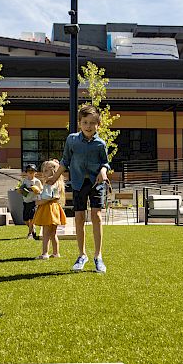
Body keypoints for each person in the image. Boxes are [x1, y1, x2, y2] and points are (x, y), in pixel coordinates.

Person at [47, 104, 110, 273]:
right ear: (80, 124)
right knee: (79, 217)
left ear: (98, 124)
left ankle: (98, 256)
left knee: (96, 215)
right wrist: (54, 177)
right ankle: (82, 255)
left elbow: (105, 163)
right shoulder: (72, 140)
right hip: (78, 183)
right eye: (85, 122)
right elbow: (65, 160)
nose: (88, 126)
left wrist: (103, 171)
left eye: (92, 123)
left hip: (96, 183)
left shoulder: (100, 144)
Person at [32, 159, 67, 259]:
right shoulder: (58, 183)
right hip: (55, 208)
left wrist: (38, 202)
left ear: (54, 171)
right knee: (53, 233)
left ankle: (45, 254)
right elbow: (54, 196)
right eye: (43, 170)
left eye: (46, 171)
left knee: (46, 233)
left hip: (48, 209)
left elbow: (48, 197)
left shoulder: (49, 182)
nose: (43, 173)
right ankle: (56, 253)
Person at [17, 164, 41, 239]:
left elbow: (40, 191)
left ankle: (30, 233)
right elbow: (20, 189)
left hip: (33, 202)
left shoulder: (37, 181)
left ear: (35, 172)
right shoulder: (24, 181)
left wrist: (36, 190)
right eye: (29, 171)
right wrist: (20, 190)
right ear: (26, 172)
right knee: (25, 219)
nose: (30, 172)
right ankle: (32, 229)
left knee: (31, 219)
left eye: (32, 171)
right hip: (25, 201)